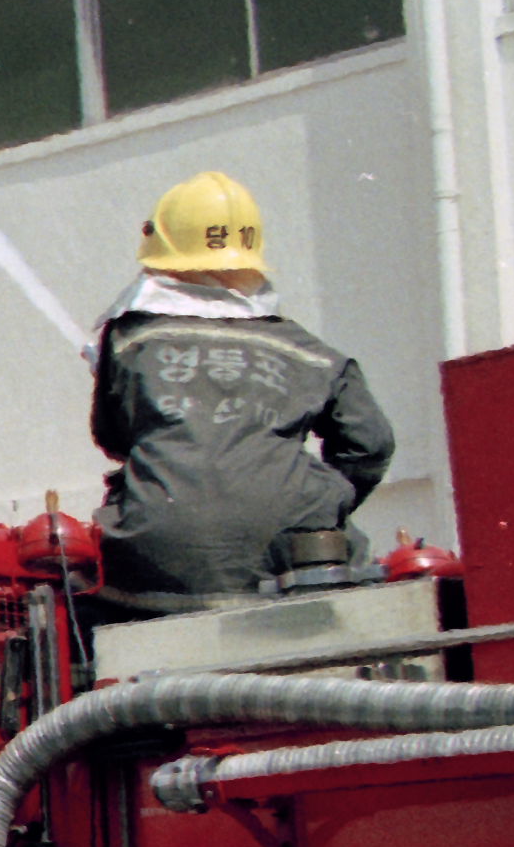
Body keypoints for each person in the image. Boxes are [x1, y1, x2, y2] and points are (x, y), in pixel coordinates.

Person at [89, 171, 394, 601]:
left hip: (158, 556)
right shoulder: (311, 352)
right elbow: (371, 443)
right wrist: (319, 501)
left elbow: (112, 436)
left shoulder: (128, 339)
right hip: (294, 554)